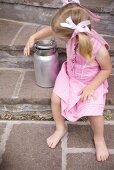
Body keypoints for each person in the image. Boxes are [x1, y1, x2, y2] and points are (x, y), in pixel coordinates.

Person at [24, 1, 112, 162]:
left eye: (60, 36)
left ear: (72, 35)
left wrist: (91, 87)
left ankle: (99, 138)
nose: (57, 37)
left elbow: (106, 70)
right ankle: (60, 128)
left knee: (94, 111)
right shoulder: (71, 33)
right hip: (70, 75)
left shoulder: (98, 48)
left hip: (91, 81)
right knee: (55, 99)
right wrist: (33, 37)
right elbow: (50, 30)